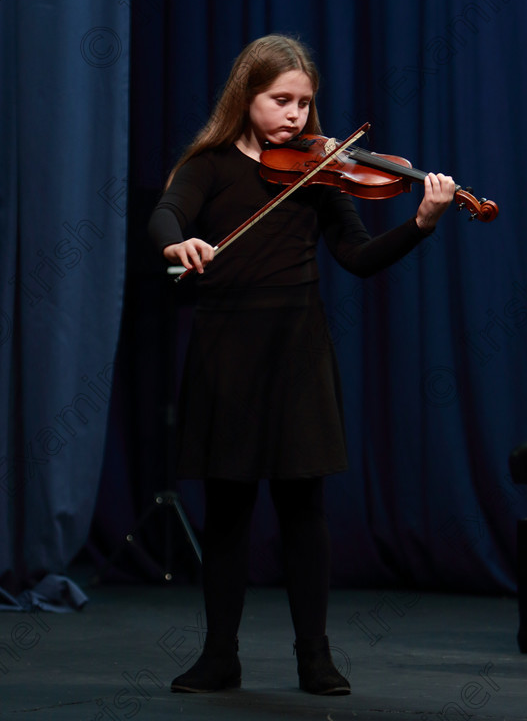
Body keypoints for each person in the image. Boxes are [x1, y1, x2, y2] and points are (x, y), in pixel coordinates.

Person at [148, 34, 455, 696]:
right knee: (227, 509)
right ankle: (218, 656)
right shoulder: (208, 164)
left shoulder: (321, 170)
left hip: (297, 346)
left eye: (304, 102)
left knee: (303, 509)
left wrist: (422, 222)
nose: (294, 114)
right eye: (280, 100)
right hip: (226, 349)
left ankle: (314, 657)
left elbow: (359, 257)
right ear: (246, 97)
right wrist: (181, 245)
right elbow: (166, 215)